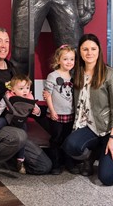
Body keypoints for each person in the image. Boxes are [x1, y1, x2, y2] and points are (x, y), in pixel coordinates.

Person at [0, 28, 52, 180]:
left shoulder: (12, 70)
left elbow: (23, 101)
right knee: (19, 136)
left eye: (7, 41)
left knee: (43, 166)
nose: (4, 46)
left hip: (14, 127)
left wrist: (41, 111)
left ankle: (5, 156)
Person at [62, 33, 113, 186]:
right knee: (71, 146)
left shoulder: (111, 75)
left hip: (112, 129)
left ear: (99, 51)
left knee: (107, 177)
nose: (89, 52)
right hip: (90, 127)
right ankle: (93, 156)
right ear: (80, 52)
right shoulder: (77, 74)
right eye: (85, 49)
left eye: (93, 49)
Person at [0, 74, 41, 174]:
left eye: (27, 88)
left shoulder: (29, 97)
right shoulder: (8, 96)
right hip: (8, 119)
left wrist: (37, 111)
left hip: (20, 122)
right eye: (21, 88)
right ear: (13, 89)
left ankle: (20, 159)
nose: (25, 91)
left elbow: (36, 107)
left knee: (24, 137)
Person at [43, 44, 77, 174]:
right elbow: (48, 94)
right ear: (58, 60)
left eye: (72, 59)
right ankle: (56, 164)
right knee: (56, 139)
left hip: (70, 114)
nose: (69, 62)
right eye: (65, 59)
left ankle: (69, 162)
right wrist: (52, 111)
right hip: (56, 114)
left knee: (68, 139)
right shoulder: (53, 76)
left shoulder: (73, 76)